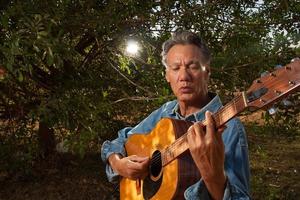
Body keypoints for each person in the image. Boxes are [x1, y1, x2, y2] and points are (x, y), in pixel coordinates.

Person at [101, 31, 250, 199]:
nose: (184, 77)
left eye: (193, 67)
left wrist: (212, 174)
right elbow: (122, 139)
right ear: (167, 76)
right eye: (176, 68)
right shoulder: (166, 112)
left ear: (207, 72)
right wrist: (118, 163)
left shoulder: (229, 127)